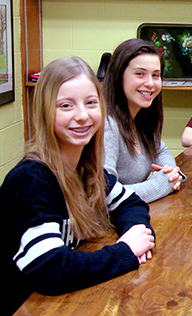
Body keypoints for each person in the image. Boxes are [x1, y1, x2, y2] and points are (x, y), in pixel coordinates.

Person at [1, 57, 156, 314]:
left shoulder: (85, 168)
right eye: (65, 106)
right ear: (45, 111)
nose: (82, 116)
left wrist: (137, 231)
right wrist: (126, 250)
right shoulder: (31, 180)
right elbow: (51, 270)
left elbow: (130, 203)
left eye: (91, 103)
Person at [103, 38, 184, 204]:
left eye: (156, 75)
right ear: (118, 76)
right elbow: (105, 195)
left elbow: (161, 151)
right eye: (140, 74)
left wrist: (170, 172)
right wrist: (162, 183)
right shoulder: (108, 125)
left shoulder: (139, 118)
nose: (150, 83)